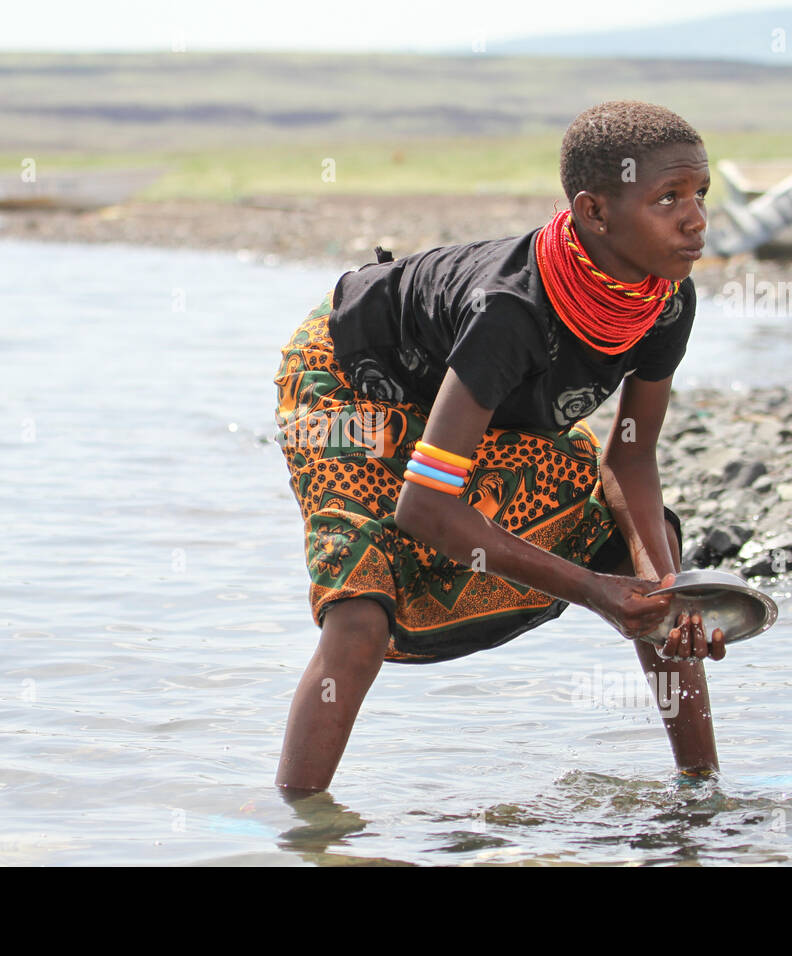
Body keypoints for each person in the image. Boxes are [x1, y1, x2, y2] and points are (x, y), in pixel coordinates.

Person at [272, 100, 724, 795]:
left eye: (700, 194)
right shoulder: (511, 310)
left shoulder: (666, 300)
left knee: (649, 539)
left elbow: (629, 457)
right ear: (595, 212)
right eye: (669, 199)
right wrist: (598, 594)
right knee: (361, 606)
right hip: (349, 382)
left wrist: (666, 599)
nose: (695, 219)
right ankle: (303, 830)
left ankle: (703, 794)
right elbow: (427, 509)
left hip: (473, 400)